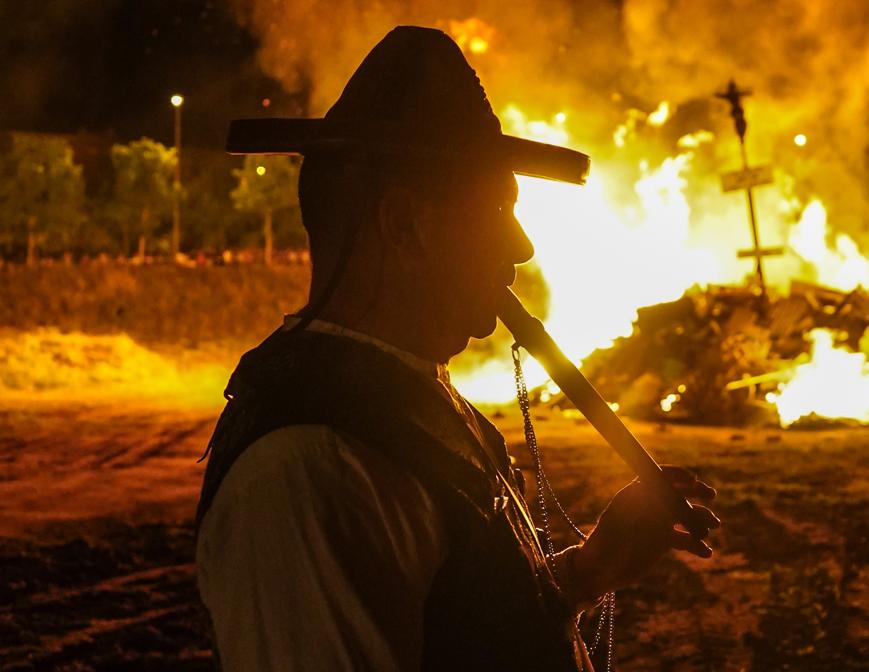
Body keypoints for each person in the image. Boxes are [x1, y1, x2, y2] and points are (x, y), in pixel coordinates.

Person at [194, 26, 720, 671]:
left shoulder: (408, 400)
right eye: (498, 210)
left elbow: (466, 629)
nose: (521, 246)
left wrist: (588, 570)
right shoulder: (312, 469)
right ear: (406, 224)